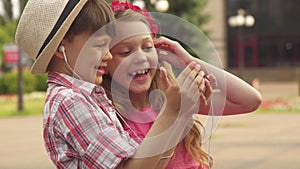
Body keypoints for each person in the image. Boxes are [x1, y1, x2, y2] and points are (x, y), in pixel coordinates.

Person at [15, 0, 206, 168]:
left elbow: (147, 163)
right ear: (60, 49)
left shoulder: (86, 97)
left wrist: (177, 118)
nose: (107, 55)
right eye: (99, 45)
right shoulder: (69, 101)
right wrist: (169, 113)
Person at [103, 1, 262, 168]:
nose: (141, 58)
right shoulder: (111, 118)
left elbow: (250, 100)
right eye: (125, 52)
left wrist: (189, 61)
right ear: (105, 59)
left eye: (147, 47)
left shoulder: (172, 98)